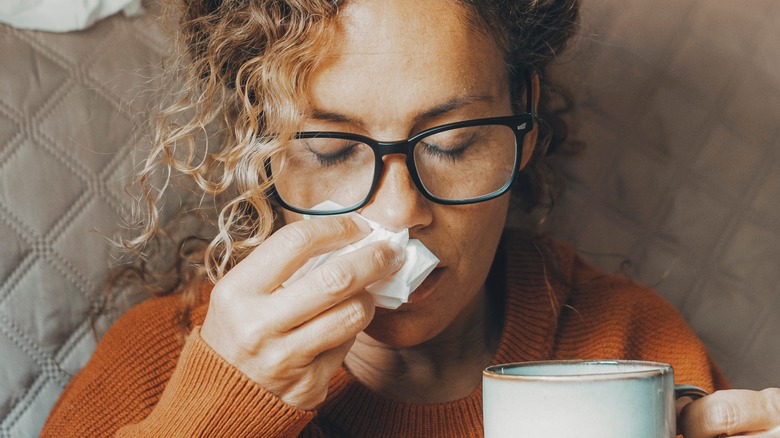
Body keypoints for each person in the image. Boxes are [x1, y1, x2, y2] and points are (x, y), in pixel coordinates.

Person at [42, 0, 779, 436]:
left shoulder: (629, 350)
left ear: (521, 117)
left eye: (454, 144)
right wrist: (216, 414)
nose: (399, 213)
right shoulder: (167, 363)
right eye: (331, 150)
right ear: (259, 145)